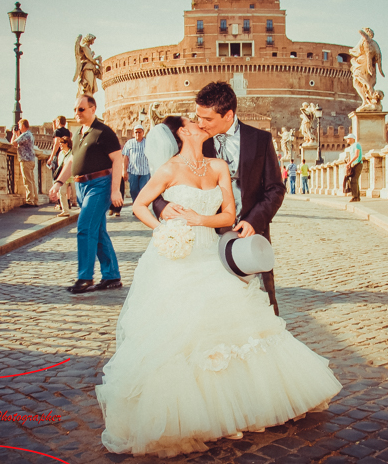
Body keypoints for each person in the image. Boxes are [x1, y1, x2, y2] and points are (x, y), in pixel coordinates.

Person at [95, 115, 342, 458]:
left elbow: (228, 214)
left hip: (209, 252)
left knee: (233, 324)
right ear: (182, 132)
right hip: (174, 258)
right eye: (194, 122)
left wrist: (198, 220)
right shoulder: (167, 169)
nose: (201, 124)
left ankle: (242, 405)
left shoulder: (218, 166)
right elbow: (140, 204)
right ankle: (192, 414)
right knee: (179, 333)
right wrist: (160, 229)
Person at [147, 81, 285, 316]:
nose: (200, 124)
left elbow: (275, 188)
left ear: (229, 115)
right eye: (197, 117)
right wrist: (163, 208)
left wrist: (254, 220)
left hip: (248, 233)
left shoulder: (260, 139)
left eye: (208, 119)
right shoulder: (194, 139)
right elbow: (162, 183)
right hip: (206, 240)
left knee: (261, 307)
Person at [48, 95, 124, 293]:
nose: (77, 113)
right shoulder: (77, 133)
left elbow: (118, 160)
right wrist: (58, 182)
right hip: (82, 186)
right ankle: (111, 275)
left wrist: (115, 190)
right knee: (97, 231)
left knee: (84, 227)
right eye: (75, 109)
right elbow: (71, 161)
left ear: (93, 109)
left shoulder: (103, 132)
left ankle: (85, 277)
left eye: (81, 109)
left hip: (99, 185)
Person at [122, 123, 150, 209]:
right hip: (133, 171)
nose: (138, 134)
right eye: (136, 132)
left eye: (139, 132)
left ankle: (140, 208)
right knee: (133, 190)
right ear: (133, 133)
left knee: (143, 191)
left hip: (145, 171)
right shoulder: (129, 143)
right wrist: (124, 170)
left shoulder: (148, 143)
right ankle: (136, 205)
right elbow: (125, 157)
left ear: (143, 132)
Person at [11, 119, 37, 208]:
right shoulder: (29, 134)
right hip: (31, 159)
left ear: (22, 126)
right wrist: (18, 134)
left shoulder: (25, 135)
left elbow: (14, 143)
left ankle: (30, 201)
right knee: (32, 181)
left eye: (19, 126)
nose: (18, 128)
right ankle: (35, 200)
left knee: (27, 180)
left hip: (25, 160)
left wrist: (14, 134)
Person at [54, 136, 74, 217]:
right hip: (64, 176)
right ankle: (65, 210)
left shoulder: (72, 152)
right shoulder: (60, 154)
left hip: (73, 175)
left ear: (66, 143)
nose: (60, 145)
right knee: (62, 192)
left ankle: (84, 210)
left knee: (76, 194)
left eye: (61, 144)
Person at [344, 133, 363, 202]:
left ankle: (355, 197)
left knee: (354, 180)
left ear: (352, 139)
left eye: (348, 138)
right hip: (353, 165)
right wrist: (348, 162)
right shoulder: (351, 147)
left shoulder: (357, 145)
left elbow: (356, 155)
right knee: (353, 181)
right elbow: (351, 156)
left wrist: (349, 163)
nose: (347, 140)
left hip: (358, 164)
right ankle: (357, 196)